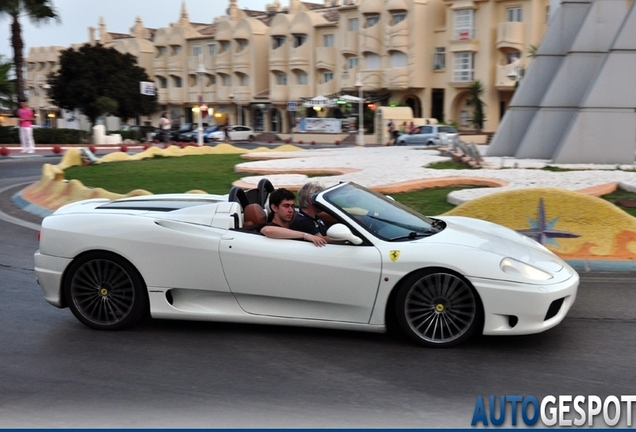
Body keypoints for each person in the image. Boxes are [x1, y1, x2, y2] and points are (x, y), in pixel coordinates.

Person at [260, 188, 327, 247]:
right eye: (286, 206)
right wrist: (306, 236)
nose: (291, 210)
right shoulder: (271, 227)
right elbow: (267, 230)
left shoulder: (295, 222)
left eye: (292, 206)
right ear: (274, 208)